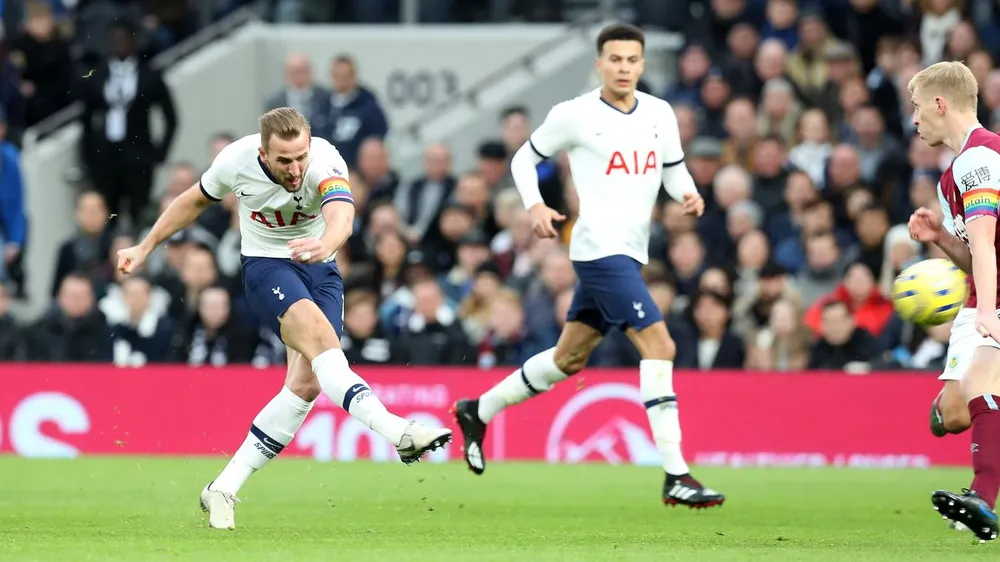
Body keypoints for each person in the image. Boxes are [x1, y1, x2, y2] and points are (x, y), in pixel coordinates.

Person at [116, 108, 451, 530]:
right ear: (263, 153)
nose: (295, 169)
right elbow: (194, 201)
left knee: (307, 383)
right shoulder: (235, 161)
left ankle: (223, 487)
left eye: (300, 158)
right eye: (284, 161)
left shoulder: (326, 160)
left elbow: (342, 217)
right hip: (266, 266)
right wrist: (145, 247)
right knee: (322, 342)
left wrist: (323, 244)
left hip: (320, 265)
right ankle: (397, 432)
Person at [451, 23, 725, 509]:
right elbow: (522, 159)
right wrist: (534, 205)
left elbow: (672, 165)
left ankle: (478, 410)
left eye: (632, 60)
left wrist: (687, 192)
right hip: (599, 251)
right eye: (614, 59)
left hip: (631, 251)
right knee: (659, 345)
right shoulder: (575, 115)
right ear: (599, 63)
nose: (623, 68)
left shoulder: (660, 113)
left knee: (567, 359)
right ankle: (676, 474)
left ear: (642, 64)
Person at [906, 61, 1000, 542]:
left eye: (918, 108)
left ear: (941, 104)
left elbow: (986, 245)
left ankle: (982, 501)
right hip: (984, 293)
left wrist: (986, 313)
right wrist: (941, 237)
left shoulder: (981, 158)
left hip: (992, 301)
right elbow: (971, 251)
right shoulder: (951, 177)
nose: (915, 119)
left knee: (984, 378)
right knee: (953, 413)